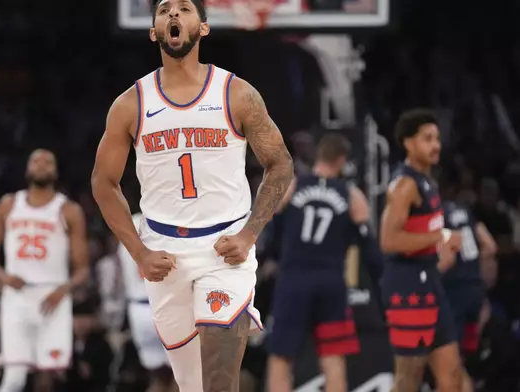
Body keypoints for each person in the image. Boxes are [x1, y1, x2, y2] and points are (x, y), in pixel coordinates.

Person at [90, 0, 294, 390]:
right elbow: (103, 182)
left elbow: (280, 164)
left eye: (184, 8)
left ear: (203, 27)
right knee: (192, 385)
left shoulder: (236, 93)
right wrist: (139, 253)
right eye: (165, 9)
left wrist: (250, 235)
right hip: (164, 254)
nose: (173, 16)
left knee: (219, 381)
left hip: (225, 250)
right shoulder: (131, 103)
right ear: (153, 31)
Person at [267, 133, 383, 392]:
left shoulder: (293, 186)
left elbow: (270, 230)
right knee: (332, 357)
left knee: (282, 357)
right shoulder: (351, 195)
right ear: (341, 160)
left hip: (294, 279)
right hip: (331, 281)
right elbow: (370, 250)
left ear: (319, 156)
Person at [0, 149, 89, 392]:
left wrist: (64, 290)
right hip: (17, 296)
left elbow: (83, 269)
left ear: (56, 171)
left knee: (49, 378)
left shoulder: (69, 210)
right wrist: (4, 277)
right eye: (36, 161)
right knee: (15, 377)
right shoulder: (9, 205)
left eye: (48, 162)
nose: (41, 166)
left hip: (53, 296)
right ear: (27, 169)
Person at [379, 109, 464, 392]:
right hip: (408, 288)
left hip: (430, 282)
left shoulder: (427, 180)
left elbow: (419, 235)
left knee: (451, 376)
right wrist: (440, 235)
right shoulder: (405, 185)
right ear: (408, 143)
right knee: (408, 379)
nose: (435, 144)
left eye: (437, 138)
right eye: (427, 138)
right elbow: (389, 241)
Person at [438, 191, 497, 392]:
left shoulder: (439, 215)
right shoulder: (465, 212)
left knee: (451, 364)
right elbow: (490, 246)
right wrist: (471, 267)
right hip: (475, 296)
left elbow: (447, 260)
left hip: (455, 296)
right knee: (458, 363)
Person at [118, 213, 177, 392]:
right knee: (181, 375)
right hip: (169, 305)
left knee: (157, 377)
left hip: (138, 308)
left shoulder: (127, 223)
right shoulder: (172, 219)